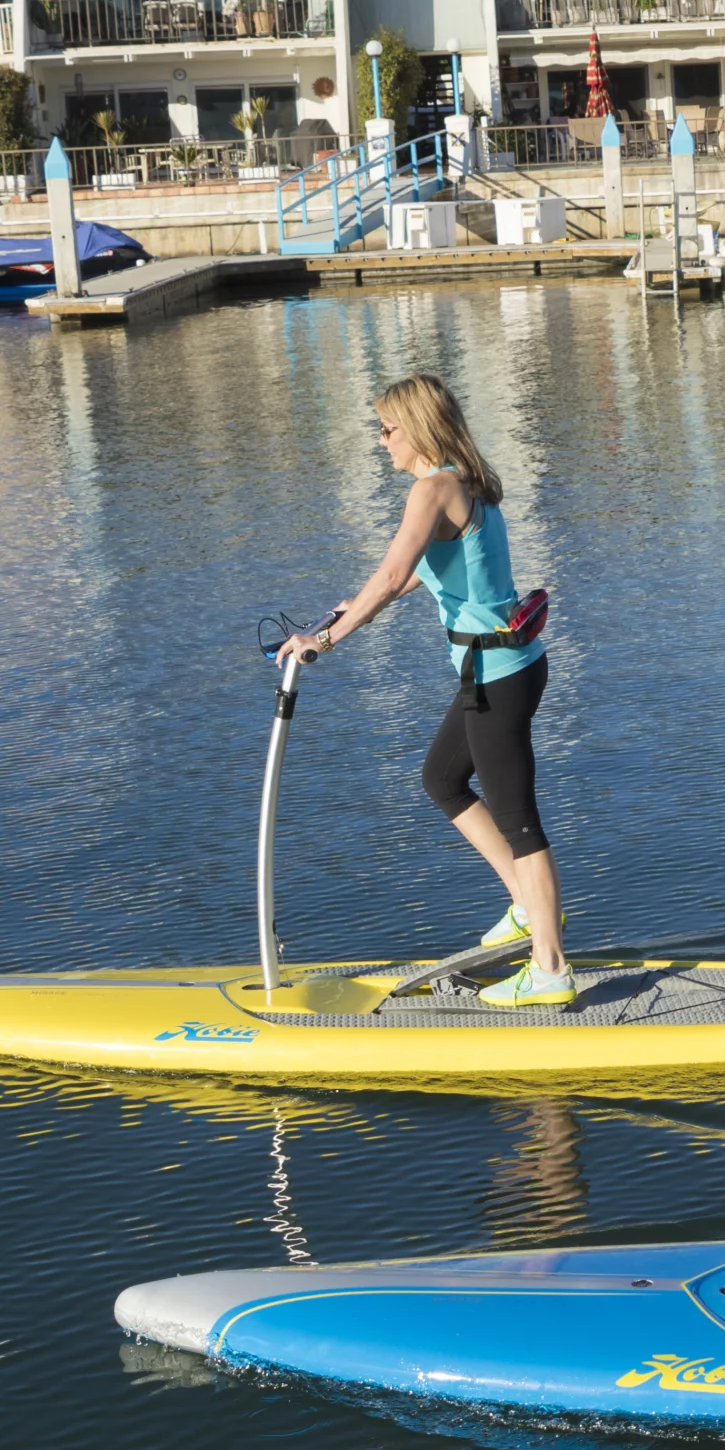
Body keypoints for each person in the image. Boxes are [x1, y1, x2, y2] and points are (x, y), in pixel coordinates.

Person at [280, 374, 572, 1007]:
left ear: (414, 429)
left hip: (498, 677)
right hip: (502, 670)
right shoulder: (464, 481)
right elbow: (420, 574)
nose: (381, 442)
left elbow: (390, 575)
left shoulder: (432, 488)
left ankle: (550, 967)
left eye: (386, 429)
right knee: (442, 779)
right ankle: (526, 905)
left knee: (521, 823)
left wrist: (326, 643)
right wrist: (342, 613)